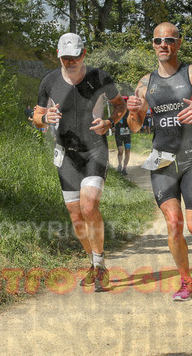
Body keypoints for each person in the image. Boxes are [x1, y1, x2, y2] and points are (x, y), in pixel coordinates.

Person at [126, 22, 192, 301]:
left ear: (178, 44)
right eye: (158, 40)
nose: (163, 45)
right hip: (161, 160)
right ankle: (186, 281)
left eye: (169, 40)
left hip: (190, 158)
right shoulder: (145, 84)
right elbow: (135, 126)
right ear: (153, 44)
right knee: (173, 222)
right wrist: (133, 112)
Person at [33, 33, 126, 292]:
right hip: (66, 155)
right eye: (65, 58)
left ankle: (100, 264)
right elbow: (37, 117)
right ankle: (95, 263)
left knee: (89, 205)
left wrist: (110, 122)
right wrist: (45, 118)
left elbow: (120, 105)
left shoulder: (99, 77)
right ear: (58, 55)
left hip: (94, 150)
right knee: (76, 216)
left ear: (83, 54)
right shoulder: (49, 81)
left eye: (74, 57)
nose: (70, 62)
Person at [113, 100, 131, 175]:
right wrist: (112, 127)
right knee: (120, 151)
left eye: (125, 101)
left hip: (127, 134)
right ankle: (120, 164)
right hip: (118, 134)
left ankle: (124, 168)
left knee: (127, 151)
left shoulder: (130, 112)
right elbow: (112, 120)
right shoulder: (116, 111)